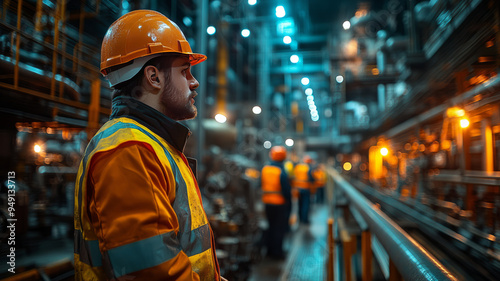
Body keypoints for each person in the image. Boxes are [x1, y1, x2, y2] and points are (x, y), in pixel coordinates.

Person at [73, 10, 224, 281]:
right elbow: (154, 272)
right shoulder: (128, 150)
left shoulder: (152, 143)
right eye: (185, 71)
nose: (194, 82)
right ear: (153, 77)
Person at [261, 146, 291, 259]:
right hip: (279, 203)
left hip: (267, 203)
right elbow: (286, 190)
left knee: (270, 226)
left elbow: (260, 184)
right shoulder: (281, 171)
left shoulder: (265, 169)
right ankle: (277, 253)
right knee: (279, 228)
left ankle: (268, 251)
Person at [292, 155, 315, 224]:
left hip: (298, 189)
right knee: (305, 204)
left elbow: (293, 177)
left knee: (300, 204)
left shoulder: (297, 167)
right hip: (305, 189)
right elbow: (311, 179)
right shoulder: (308, 168)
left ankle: (300, 219)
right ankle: (305, 220)